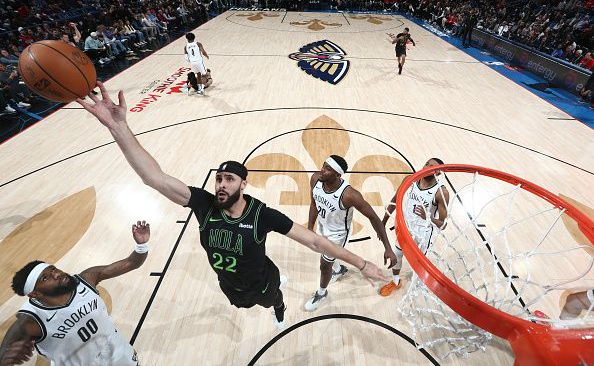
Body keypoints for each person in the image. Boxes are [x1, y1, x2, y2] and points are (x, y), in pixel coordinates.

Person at [75, 83, 387, 330]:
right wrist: (118, 127)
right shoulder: (203, 203)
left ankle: (280, 306)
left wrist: (362, 263)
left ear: (242, 185)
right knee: (240, 302)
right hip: (228, 283)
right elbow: (153, 177)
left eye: (230, 179)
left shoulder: (262, 215)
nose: (222, 184)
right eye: (219, 178)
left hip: (262, 281)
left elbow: (317, 241)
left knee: (273, 299)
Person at [0, 221, 151, 365]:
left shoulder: (87, 279)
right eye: (45, 278)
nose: (56, 274)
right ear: (35, 294)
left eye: (53, 269)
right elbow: (6, 351)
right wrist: (5, 357)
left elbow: (132, 263)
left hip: (117, 352)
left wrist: (142, 245)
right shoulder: (32, 320)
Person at [304, 156, 397, 311]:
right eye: (323, 165)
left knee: (324, 265)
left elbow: (373, 217)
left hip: (338, 234)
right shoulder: (315, 179)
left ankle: (321, 293)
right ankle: (340, 269)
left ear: (337, 175)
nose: (322, 170)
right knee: (326, 257)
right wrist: (310, 227)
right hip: (323, 225)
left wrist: (387, 247)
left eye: (327, 169)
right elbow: (314, 203)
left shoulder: (349, 195)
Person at [379, 158, 450, 297]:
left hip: (423, 233)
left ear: (439, 173)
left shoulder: (441, 192)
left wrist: (428, 217)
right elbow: (395, 200)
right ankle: (395, 281)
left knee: (419, 263)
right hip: (406, 227)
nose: (427, 167)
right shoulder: (410, 179)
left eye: (433, 167)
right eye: (427, 163)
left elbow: (444, 224)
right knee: (397, 254)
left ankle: (419, 280)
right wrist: (383, 221)